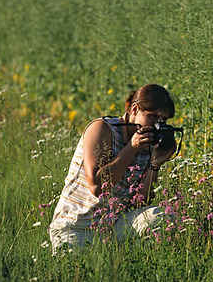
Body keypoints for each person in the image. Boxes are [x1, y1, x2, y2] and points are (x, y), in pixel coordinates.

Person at [48, 83, 177, 254]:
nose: (157, 125)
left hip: (113, 226)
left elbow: (140, 202)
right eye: (153, 117)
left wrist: (155, 163)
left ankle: (138, 264)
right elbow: (97, 187)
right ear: (135, 109)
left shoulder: (148, 144)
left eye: (163, 120)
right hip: (76, 226)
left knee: (163, 217)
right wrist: (131, 148)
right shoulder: (103, 128)